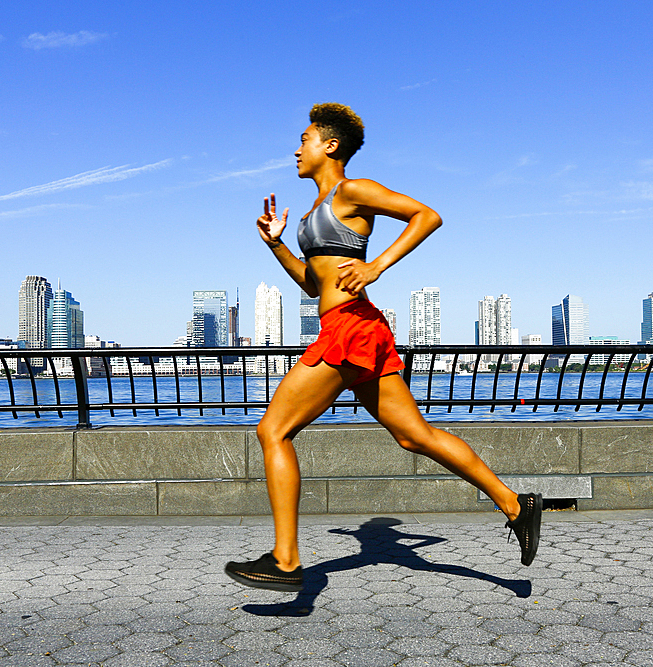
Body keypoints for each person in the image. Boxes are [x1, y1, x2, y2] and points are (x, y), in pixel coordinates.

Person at [224, 103, 541, 593]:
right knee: (414, 436)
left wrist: (377, 267)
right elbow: (314, 284)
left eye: (304, 139)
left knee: (274, 431)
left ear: (329, 145)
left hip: (350, 327)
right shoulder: (314, 212)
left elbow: (426, 216)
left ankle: (286, 560)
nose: (296, 148)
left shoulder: (353, 190)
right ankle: (517, 505)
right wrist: (277, 245)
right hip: (352, 324)